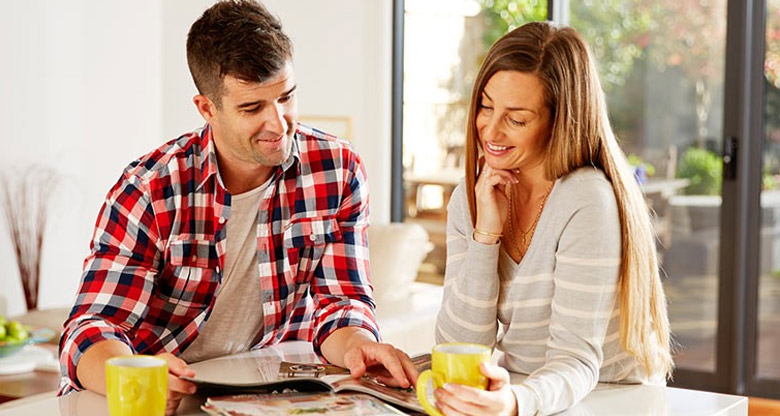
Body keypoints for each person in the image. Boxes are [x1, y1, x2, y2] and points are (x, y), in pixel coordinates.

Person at [58, 1, 417, 413]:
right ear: (207, 108)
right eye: (252, 108)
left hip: (261, 396)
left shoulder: (337, 169)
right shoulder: (150, 189)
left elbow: (342, 302)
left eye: (286, 97)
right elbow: (91, 329)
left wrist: (359, 346)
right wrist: (133, 375)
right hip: (157, 397)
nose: (279, 124)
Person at [434, 22, 673, 416]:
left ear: (559, 120)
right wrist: (485, 235)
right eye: (486, 106)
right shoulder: (473, 196)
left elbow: (577, 360)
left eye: (516, 118)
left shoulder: (586, 199)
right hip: (531, 392)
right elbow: (460, 345)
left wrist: (514, 402)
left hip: (610, 397)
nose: (490, 129)